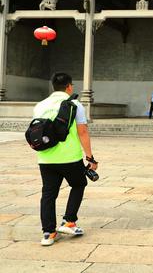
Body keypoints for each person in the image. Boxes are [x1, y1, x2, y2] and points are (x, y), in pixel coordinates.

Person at [33, 73, 98, 246]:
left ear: (53, 86)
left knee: (48, 193)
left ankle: (48, 233)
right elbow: (83, 132)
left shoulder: (40, 105)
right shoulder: (74, 104)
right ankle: (69, 221)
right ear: (69, 86)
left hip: (45, 157)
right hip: (69, 157)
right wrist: (90, 157)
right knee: (78, 184)